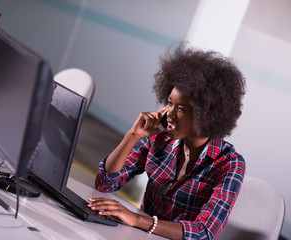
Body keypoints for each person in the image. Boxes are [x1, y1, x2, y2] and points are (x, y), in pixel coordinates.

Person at [87, 42, 246, 240]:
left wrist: (138, 220)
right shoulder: (158, 139)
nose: (169, 114)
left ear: (207, 115)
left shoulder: (230, 164)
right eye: (170, 103)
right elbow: (105, 183)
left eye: (181, 109)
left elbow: (203, 232)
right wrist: (132, 136)